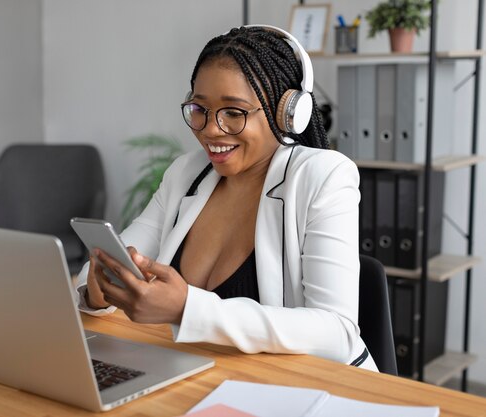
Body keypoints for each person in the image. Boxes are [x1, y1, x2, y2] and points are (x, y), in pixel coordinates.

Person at [75, 25, 378, 372]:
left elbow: (336, 333)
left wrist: (186, 309)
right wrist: (98, 292)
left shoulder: (323, 176)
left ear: (288, 114)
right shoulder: (186, 173)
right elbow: (109, 262)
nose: (210, 129)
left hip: (301, 388)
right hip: (200, 375)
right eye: (199, 109)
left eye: (234, 112)